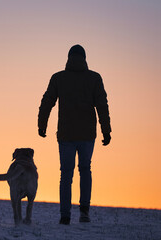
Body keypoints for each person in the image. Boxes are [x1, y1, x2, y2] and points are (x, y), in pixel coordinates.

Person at [38, 44, 111, 225]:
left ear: (69, 58)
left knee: (66, 175)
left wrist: (42, 124)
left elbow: (47, 101)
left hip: (66, 135)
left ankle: (65, 215)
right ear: (84, 58)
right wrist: (106, 130)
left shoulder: (58, 78)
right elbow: (102, 105)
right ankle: (84, 211)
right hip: (87, 135)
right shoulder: (94, 78)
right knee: (85, 170)